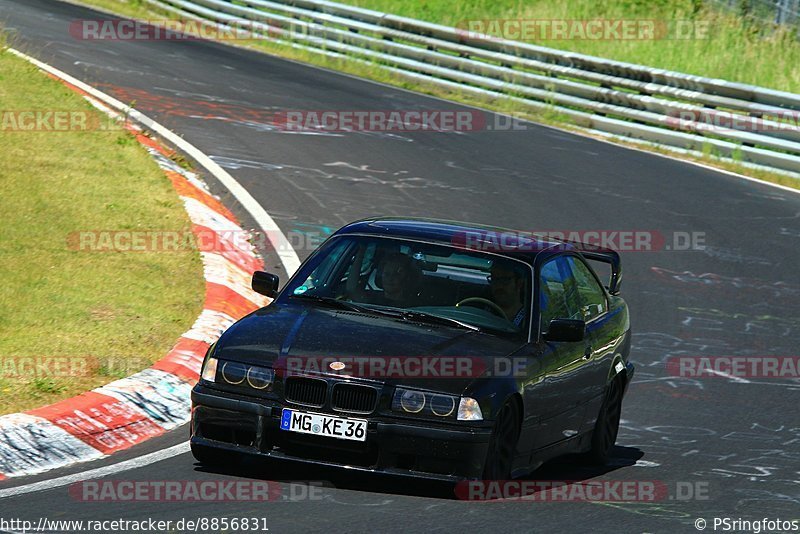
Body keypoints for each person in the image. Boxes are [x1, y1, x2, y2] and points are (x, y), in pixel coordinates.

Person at [488, 263, 526, 327]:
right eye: (494, 279)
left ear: (519, 283)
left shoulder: (528, 321)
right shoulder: (482, 309)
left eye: (505, 280)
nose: (499, 286)